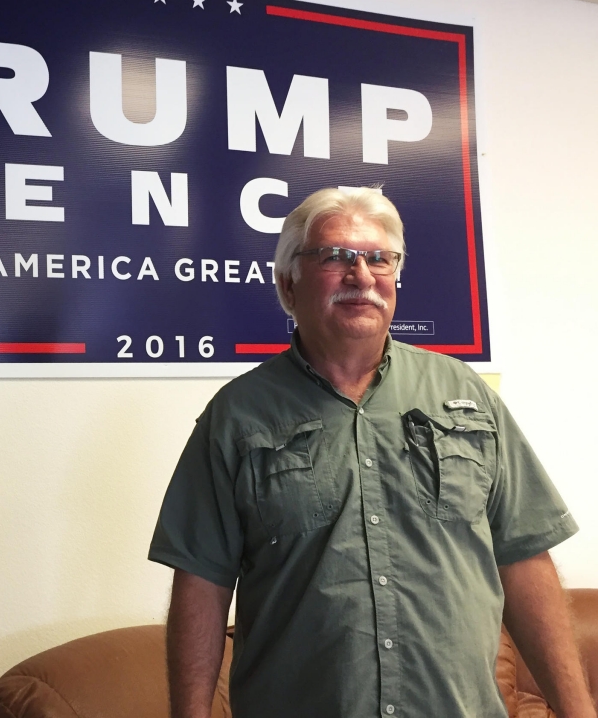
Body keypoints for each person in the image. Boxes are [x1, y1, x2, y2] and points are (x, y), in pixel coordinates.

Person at [149, 187, 595, 718]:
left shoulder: (465, 393)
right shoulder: (237, 415)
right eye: (335, 257)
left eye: (379, 258)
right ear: (288, 283)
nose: (361, 275)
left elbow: (524, 559)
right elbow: (202, 582)